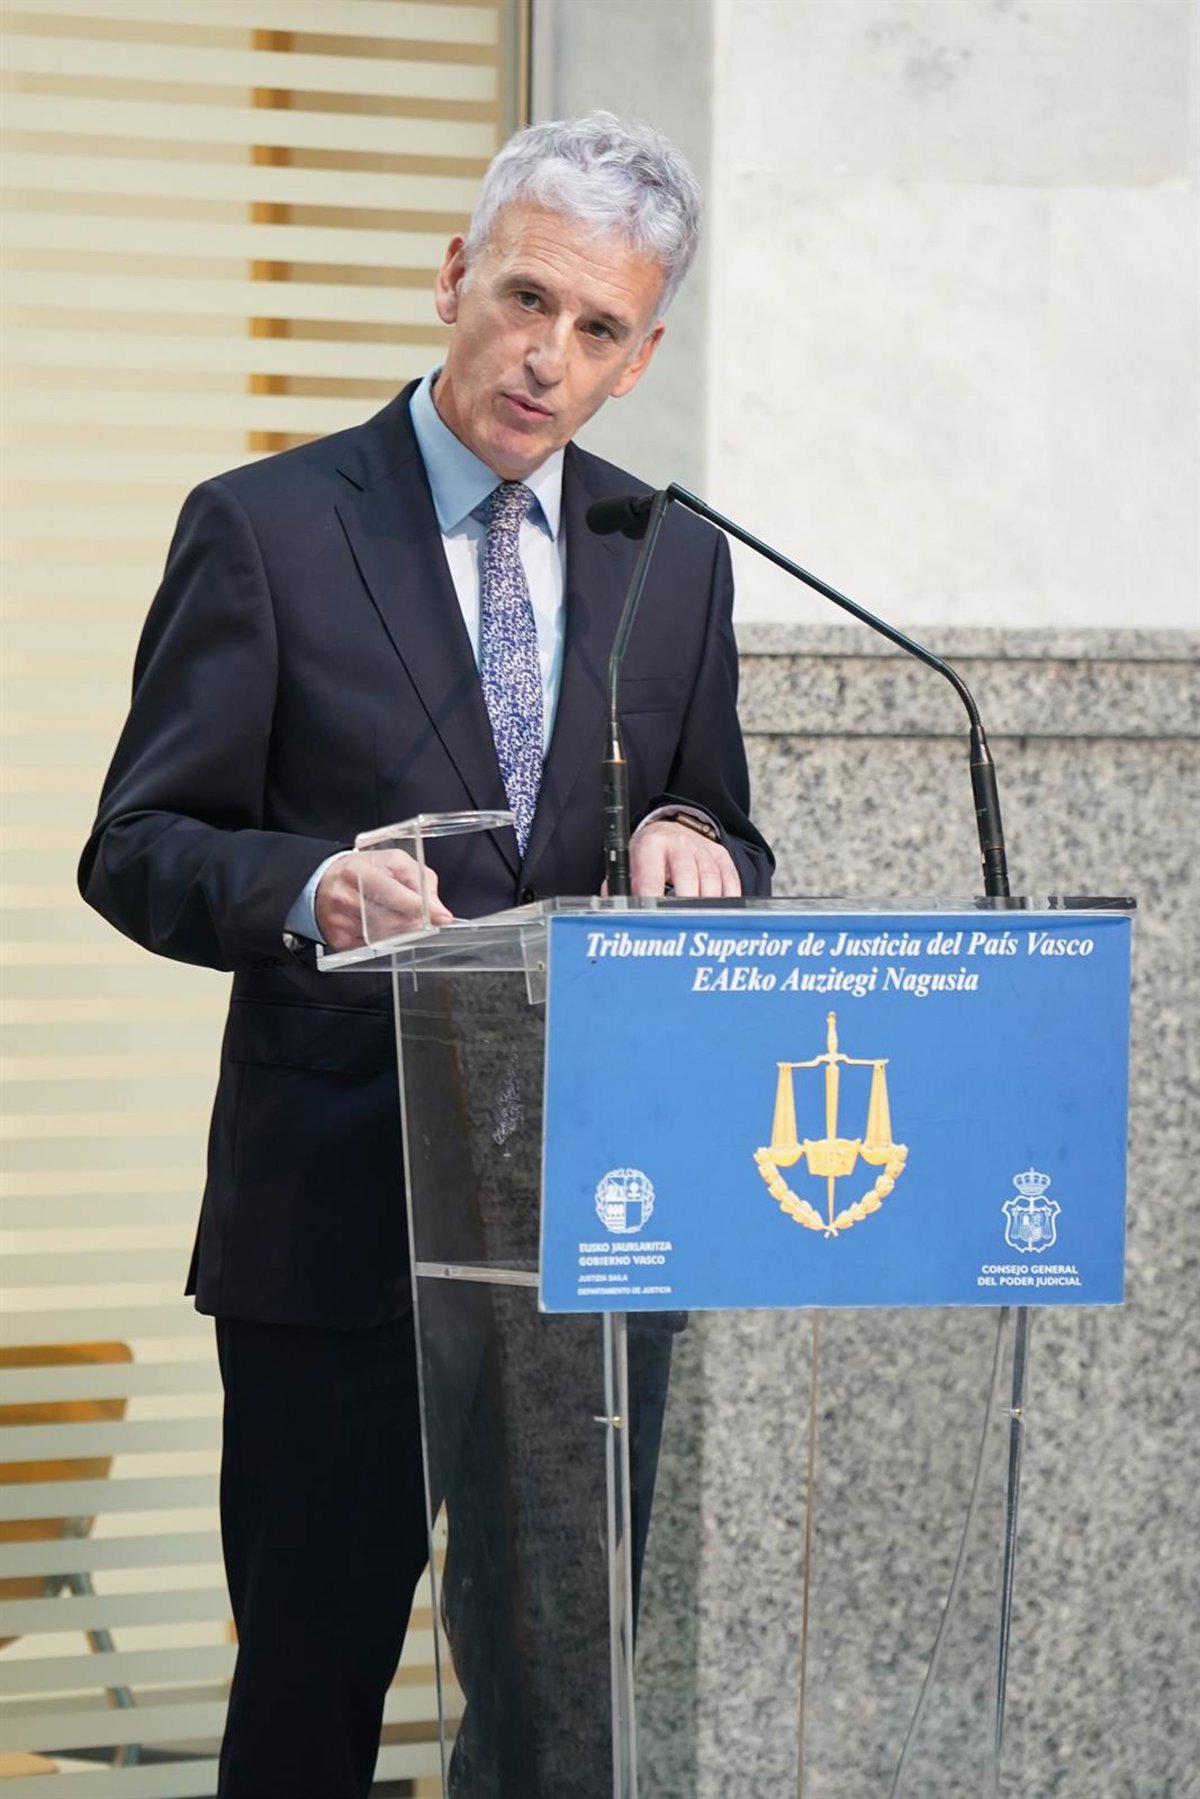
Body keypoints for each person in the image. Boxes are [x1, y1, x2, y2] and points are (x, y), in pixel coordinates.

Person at [79, 112, 772, 1798]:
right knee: (309, 1702)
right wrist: (315, 888)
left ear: (640, 357)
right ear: (456, 275)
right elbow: (138, 844)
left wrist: (698, 842)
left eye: (598, 329)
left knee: (557, 1719)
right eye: (527, 298)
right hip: (339, 1221)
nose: (548, 358)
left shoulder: (672, 557)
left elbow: (723, 822)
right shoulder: (267, 528)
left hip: (592, 1227)